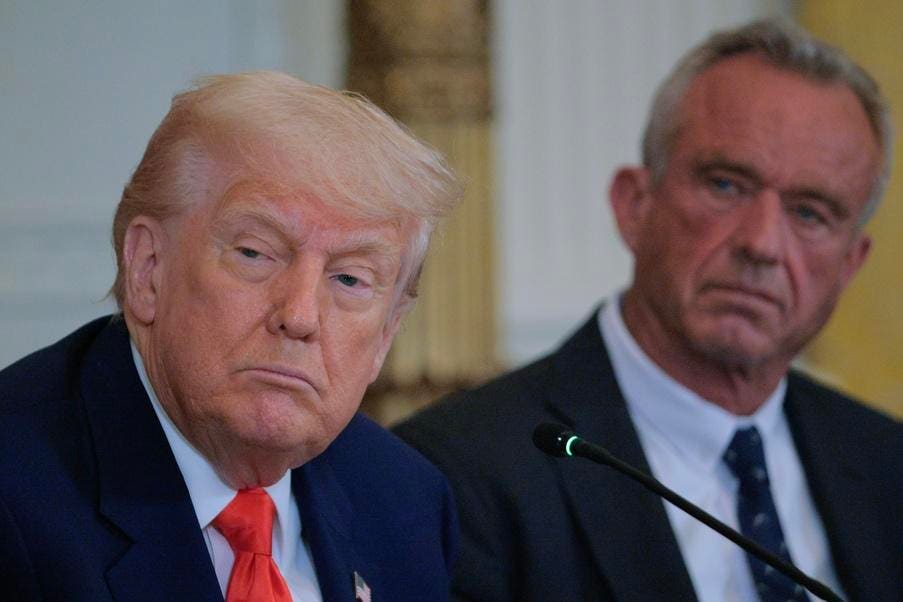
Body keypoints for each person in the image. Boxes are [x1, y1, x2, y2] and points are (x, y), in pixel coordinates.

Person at [395, 18, 902, 602]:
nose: (762, 243)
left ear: (850, 264)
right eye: (726, 185)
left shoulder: (888, 463)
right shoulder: (456, 474)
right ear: (634, 205)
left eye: (810, 213)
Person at [0, 71, 462, 601]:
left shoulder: (406, 504)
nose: (300, 316)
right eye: (254, 253)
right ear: (148, 269)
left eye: (350, 279)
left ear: (386, 334)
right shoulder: (16, 498)